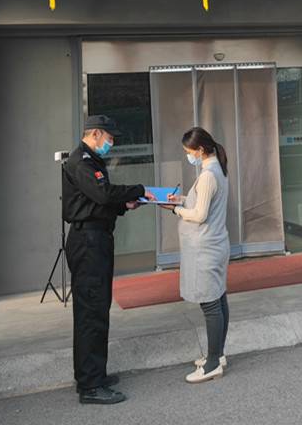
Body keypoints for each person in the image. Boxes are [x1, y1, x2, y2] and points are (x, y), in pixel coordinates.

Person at [62, 114, 152, 405]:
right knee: (91, 312)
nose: (111, 143)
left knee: (97, 309)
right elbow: (102, 195)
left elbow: (96, 202)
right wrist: (138, 190)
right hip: (88, 242)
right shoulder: (82, 162)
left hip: (95, 238)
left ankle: (93, 375)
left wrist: (125, 204)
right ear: (95, 134)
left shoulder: (91, 160)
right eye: (109, 138)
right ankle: (90, 386)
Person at [160, 126, 231, 384]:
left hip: (206, 248)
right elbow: (202, 203)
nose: (188, 156)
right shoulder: (216, 169)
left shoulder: (208, 176)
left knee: (210, 304)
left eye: (189, 152)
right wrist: (179, 200)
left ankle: (212, 364)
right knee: (218, 298)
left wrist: (176, 210)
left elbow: (200, 215)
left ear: (200, 150)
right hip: (215, 243)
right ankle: (217, 355)